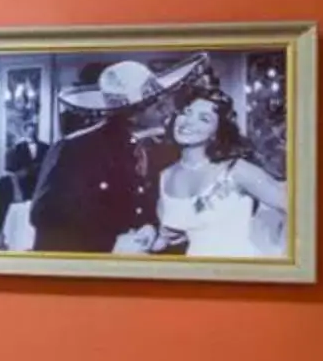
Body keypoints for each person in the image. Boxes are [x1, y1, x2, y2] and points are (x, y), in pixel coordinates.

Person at [25, 56, 204, 254]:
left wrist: (152, 228)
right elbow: (47, 218)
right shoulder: (76, 149)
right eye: (158, 106)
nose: (168, 110)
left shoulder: (165, 148)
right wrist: (108, 244)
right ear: (132, 113)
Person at [152, 88, 288, 258]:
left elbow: (298, 208)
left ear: (216, 132)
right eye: (186, 113)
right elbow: (170, 237)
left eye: (204, 119)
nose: (188, 122)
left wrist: (284, 257)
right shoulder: (166, 176)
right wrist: (162, 237)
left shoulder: (236, 170)